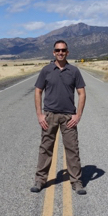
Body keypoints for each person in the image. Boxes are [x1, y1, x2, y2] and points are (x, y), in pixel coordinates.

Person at [31, 40, 87, 195]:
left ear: (67, 52)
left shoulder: (74, 71)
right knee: (45, 149)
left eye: (63, 50)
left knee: (72, 150)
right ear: (53, 52)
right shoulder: (46, 70)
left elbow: (82, 93)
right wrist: (39, 115)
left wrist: (78, 115)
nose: (60, 53)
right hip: (49, 115)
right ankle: (40, 180)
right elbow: (38, 91)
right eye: (58, 50)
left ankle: (76, 182)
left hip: (69, 117)